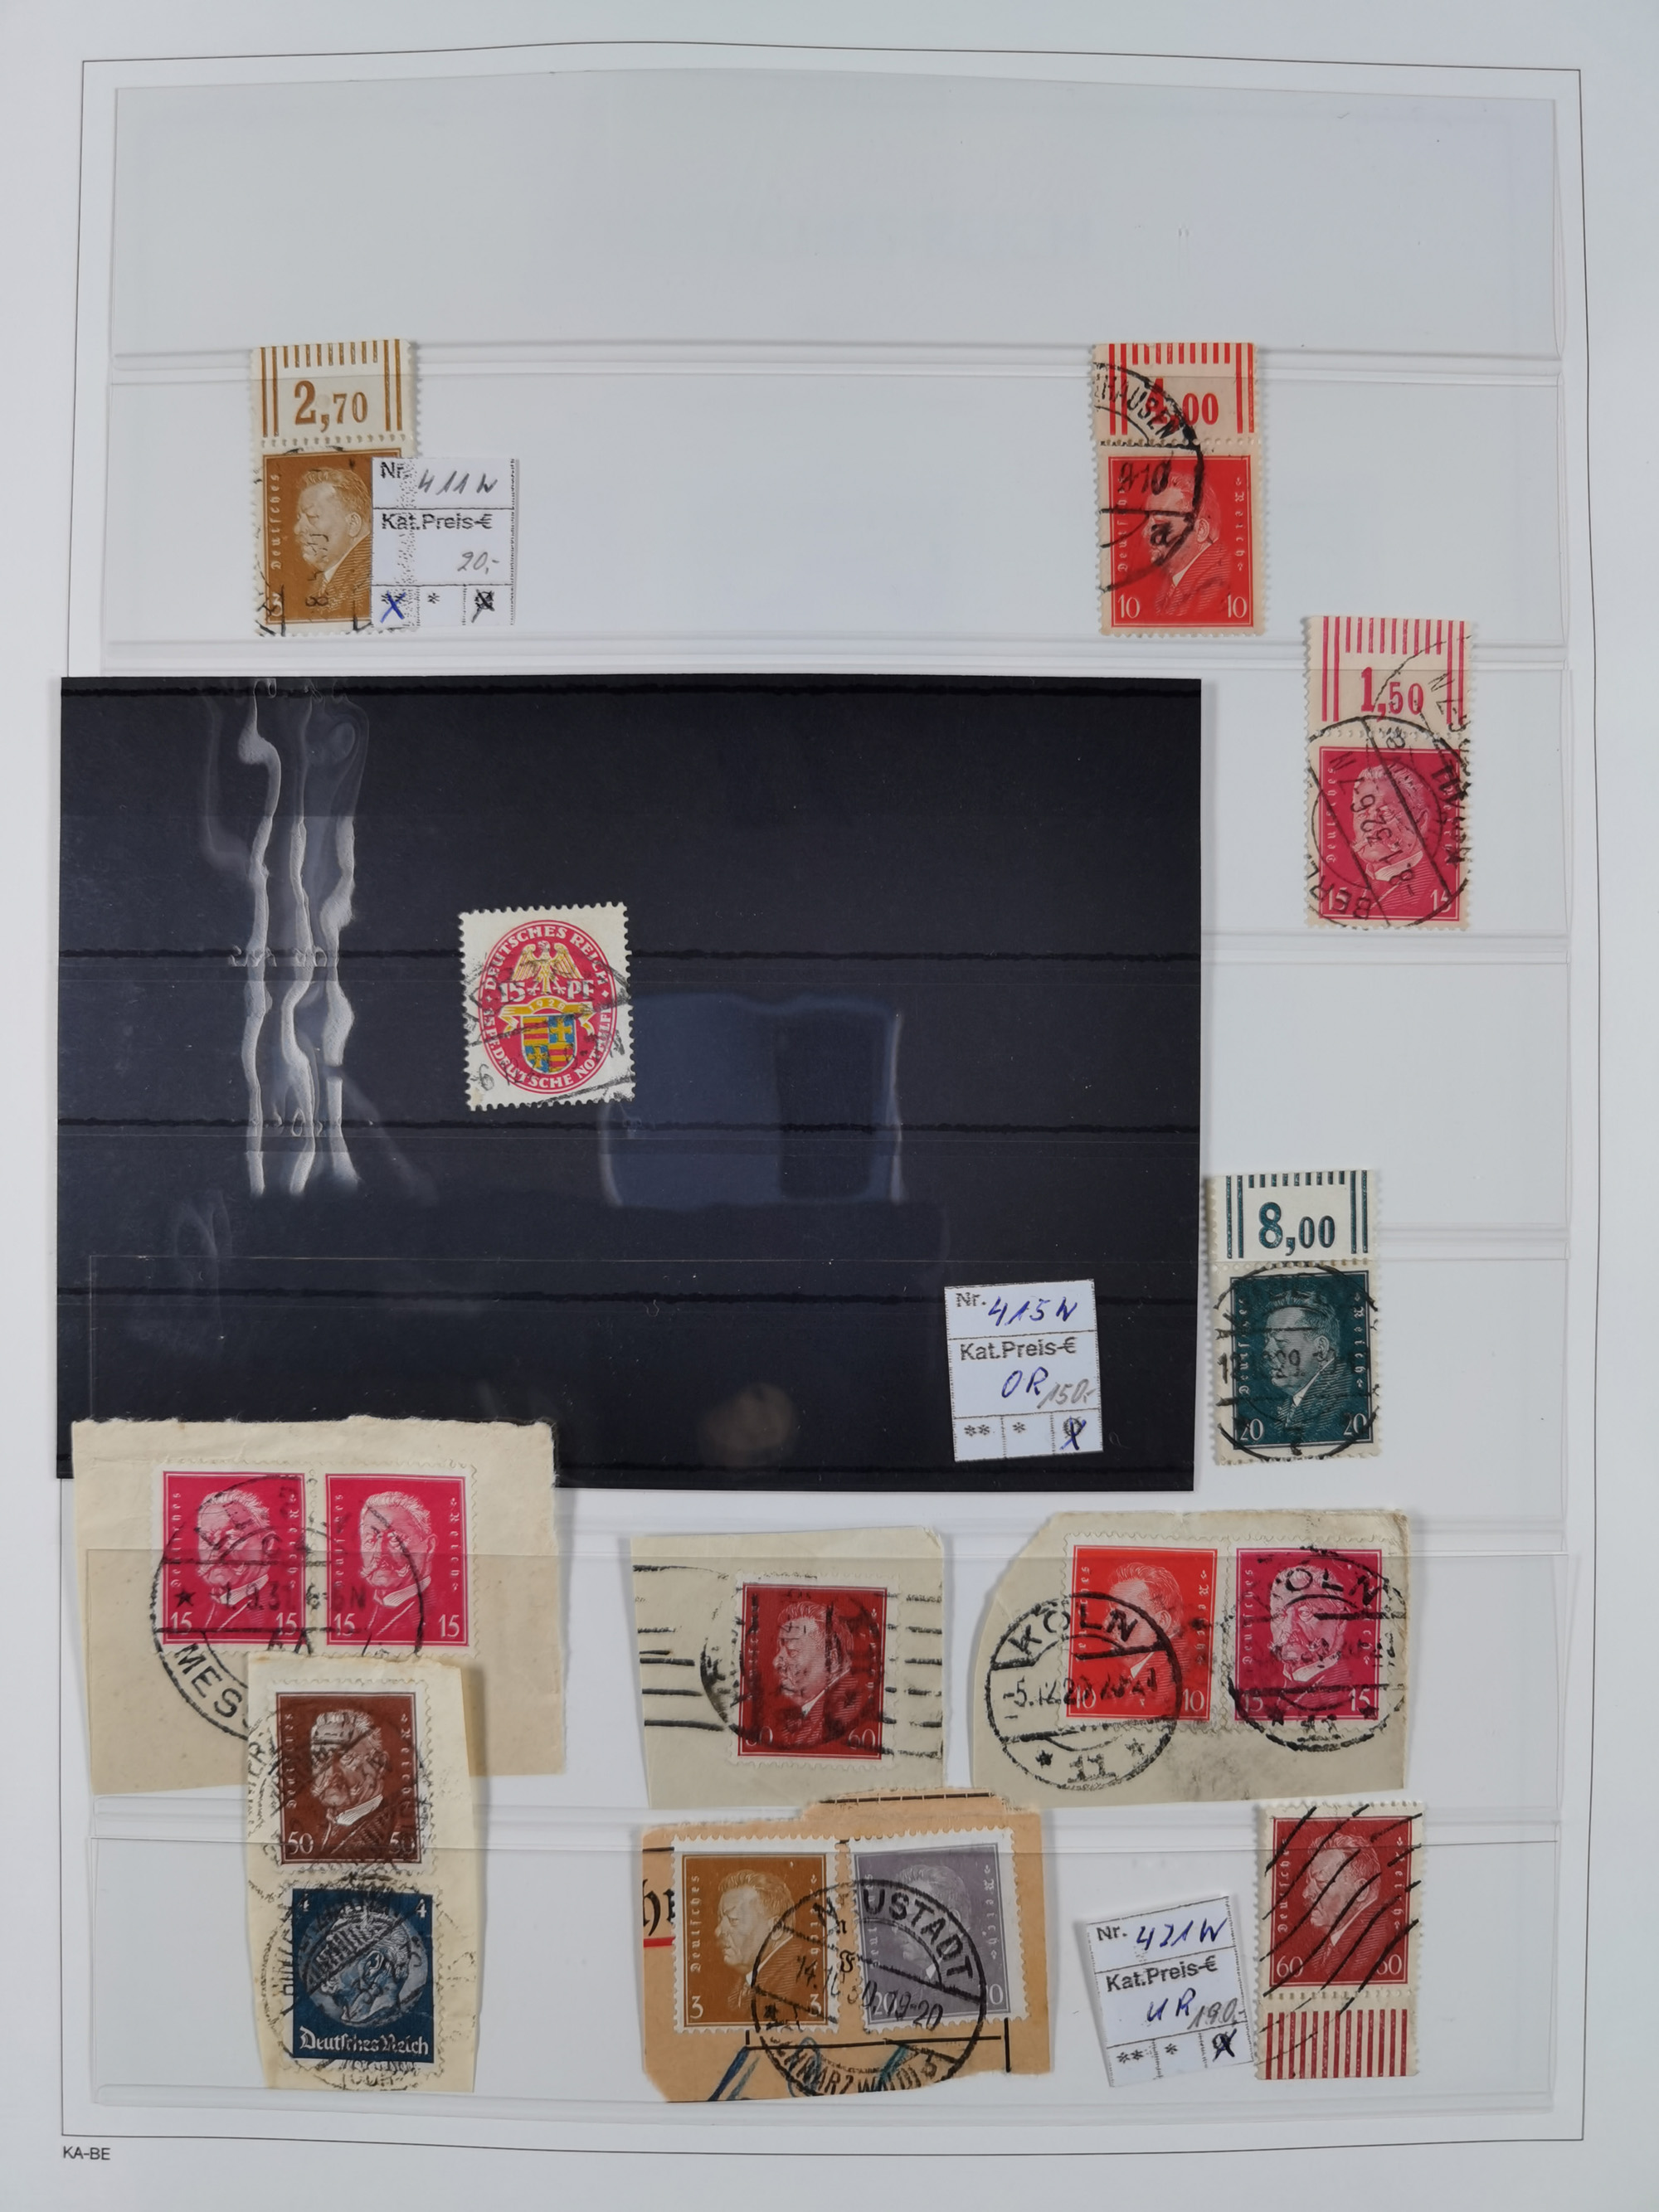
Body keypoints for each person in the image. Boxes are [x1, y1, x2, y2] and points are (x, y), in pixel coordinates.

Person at [283, 1707, 406, 1860]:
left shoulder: (394, 1829)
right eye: (320, 1758)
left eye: (346, 1757)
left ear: (379, 1763)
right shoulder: (317, 1832)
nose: (331, 1772)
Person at [764, 1597, 878, 1751]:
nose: (776, 1662)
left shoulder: (846, 1712)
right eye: (779, 1651)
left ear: (832, 1660)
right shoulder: (813, 1713)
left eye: (792, 1652)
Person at [1256, 1288, 1364, 1446]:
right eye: (1267, 1340)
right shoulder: (1291, 1405)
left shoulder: (1342, 1402)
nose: (1267, 1351)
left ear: (1320, 1348)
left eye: (1280, 1341)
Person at [1136, 459, 1236, 623]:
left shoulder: (1215, 585)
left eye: (1158, 524)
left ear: (1201, 530)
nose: (1145, 533)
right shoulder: (1170, 585)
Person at [292, 465, 372, 621]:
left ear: (353, 524)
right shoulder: (323, 581)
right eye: (299, 518)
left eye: (312, 517)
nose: (297, 529)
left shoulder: (369, 584)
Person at [353, 1490, 435, 1638]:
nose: (380, 1553)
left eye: (395, 1539)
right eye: (370, 1540)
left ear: (429, 1547)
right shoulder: (361, 1610)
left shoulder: (436, 1608)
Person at [714, 1867, 795, 2011]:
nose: (718, 1931)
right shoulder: (745, 1984)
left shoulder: (794, 1983)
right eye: (720, 1920)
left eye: (733, 1920)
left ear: (776, 1928)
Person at [194, 1485, 280, 1615]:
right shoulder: (204, 1609)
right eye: (207, 1537)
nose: (217, 1550)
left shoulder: (265, 1613)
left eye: (233, 1536)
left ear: (268, 1545)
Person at [1267, 1561, 1353, 1687]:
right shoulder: (1275, 1683)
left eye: (1305, 1612)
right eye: (1280, 1615)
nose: (1289, 1628)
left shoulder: (1346, 1686)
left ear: (1341, 1621)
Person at [1302, 1835, 1384, 1952]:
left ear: (1361, 1890)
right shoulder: (1327, 1947)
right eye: (1308, 1882)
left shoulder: (1375, 1945)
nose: (1306, 1894)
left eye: (1320, 1881)